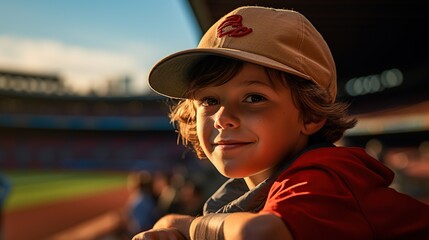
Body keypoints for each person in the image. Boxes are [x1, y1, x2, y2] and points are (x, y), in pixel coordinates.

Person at [132, 6, 429, 240]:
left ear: (310, 115)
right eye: (209, 101)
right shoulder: (250, 192)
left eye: (253, 98)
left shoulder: (328, 174)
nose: (223, 117)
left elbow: (259, 234)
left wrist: (185, 225)